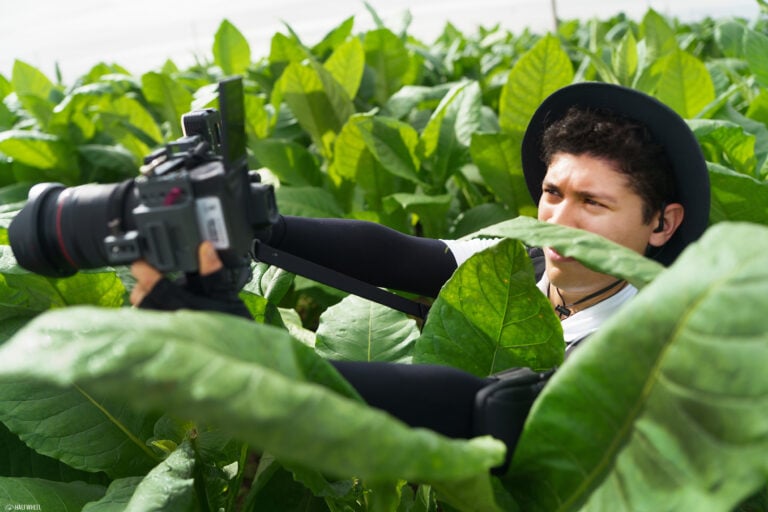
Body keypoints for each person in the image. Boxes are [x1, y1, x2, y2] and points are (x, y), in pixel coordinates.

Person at [129, 82, 710, 473]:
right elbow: (402, 256)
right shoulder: (517, 261)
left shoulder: (661, 341)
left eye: (593, 203)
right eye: (552, 194)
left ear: (662, 224)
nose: (559, 220)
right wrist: (262, 224)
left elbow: (487, 408)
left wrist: (250, 361)